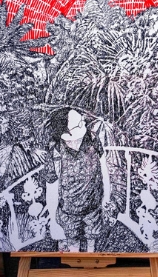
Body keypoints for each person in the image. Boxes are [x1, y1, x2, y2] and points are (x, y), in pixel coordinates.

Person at [45, 108, 105, 252]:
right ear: (65, 134)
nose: (84, 124)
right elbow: (51, 186)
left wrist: (107, 196)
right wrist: (53, 220)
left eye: (83, 121)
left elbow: (104, 168)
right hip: (68, 211)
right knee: (72, 244)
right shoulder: (55, 152)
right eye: (79, 125)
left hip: (94, 207)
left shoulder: (92, 139)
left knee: (92, 240)